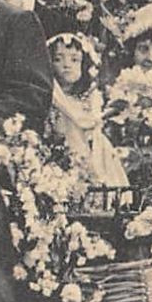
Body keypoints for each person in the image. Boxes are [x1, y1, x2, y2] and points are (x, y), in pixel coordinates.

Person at [46, 32, 129, 186]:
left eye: (74, 60)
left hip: (91, 149)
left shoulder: (91, 96)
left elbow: (90, 121)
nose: (66, 65)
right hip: (62, 150)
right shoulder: (52, 98)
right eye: (58, 59)